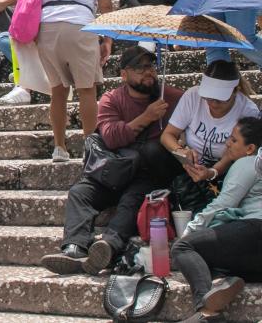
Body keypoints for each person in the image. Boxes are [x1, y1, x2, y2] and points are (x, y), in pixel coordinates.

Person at [40, 46, 183, 275]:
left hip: (146, 174)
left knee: (131, 199)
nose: (148, 72)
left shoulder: (170, 96)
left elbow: (198, 107)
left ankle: (107, 246)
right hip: (113, 168)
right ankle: (74, 247)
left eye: (151, 66)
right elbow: (111, 136)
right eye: (140, 68)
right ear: (124, 74)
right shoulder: (111, 99)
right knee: (80, 192)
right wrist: (147, 117)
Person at [32, 0, 115, 162]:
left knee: (58, 91)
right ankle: (91, 148)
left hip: (45, 29)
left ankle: (59, 147)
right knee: (87, 90)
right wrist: (107, 40)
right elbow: (106, 5)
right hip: (79, 24)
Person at [169, 117, 262, 323]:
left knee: (183, 248)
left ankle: (207, 312)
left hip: (255, 228)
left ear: (250, 148)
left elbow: (223, 203)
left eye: (234, 139)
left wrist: (191, 229)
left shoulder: (248, 162)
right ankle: (221, 284)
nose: (228, 143)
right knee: (210, 260)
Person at [161, 62, 260, 209]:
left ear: (235, 91)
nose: (212, 103)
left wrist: (212, 172)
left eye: (220, 99)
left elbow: (237, 153)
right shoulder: (193, 96)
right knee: (153, 154)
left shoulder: (247, 109)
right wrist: (181, 151)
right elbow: (167, 135)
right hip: (190, 163)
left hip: (226, 167)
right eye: (208, 97)